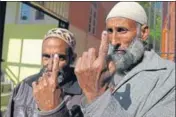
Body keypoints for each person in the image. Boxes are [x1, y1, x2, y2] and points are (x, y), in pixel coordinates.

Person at [75, 2, 175, 117]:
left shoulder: (168, 76)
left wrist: (97, 97)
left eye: (122, 30)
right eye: (110, 31)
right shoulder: (101, 71)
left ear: (143, 32)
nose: (113, 41)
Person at [5, 28, 83, 117]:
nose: (51, 66)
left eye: (60, 58)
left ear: (72, 59)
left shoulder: (84, 95)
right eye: (46, 57)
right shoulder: (24, 87)